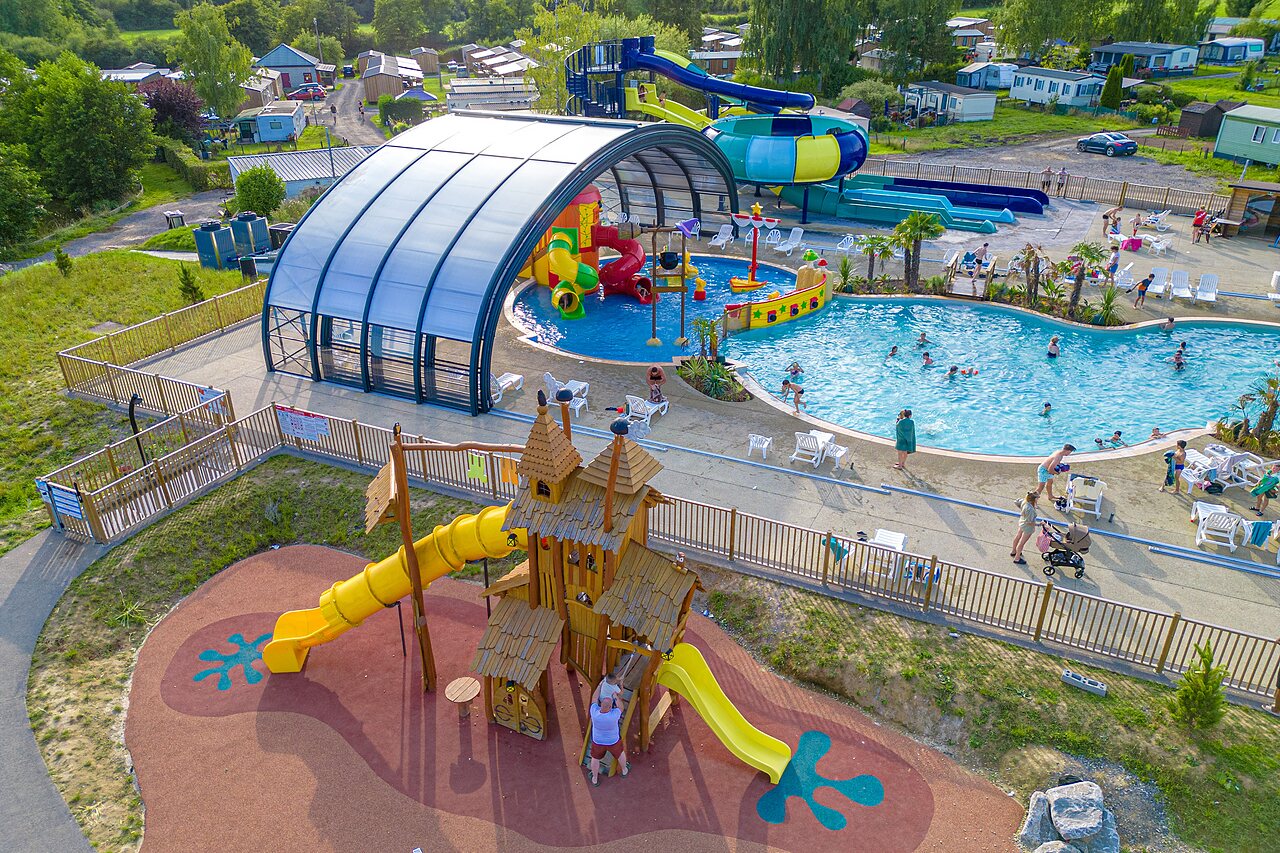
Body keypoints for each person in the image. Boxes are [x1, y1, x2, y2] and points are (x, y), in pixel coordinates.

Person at [588, 695, 629, 786]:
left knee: (595, 758)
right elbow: (621, 707)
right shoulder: (614, 715)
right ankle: (624, 770)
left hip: (598, 741)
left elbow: (594, 698)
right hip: (613, 741)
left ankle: (594, 778)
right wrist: (615, 697)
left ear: (601, 705)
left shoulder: (594, 712)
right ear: (610, 707)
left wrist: (600, 686)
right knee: (620, 754)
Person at [1011, 491, 1039, 565]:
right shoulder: (1030, 510)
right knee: (1022, 543)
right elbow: (1029, 522)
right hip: (1027, 527)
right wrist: (1039, 524)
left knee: (1018, 536)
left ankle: (1014, 551)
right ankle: (1017, 558)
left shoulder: (1024, 502)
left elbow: (1017, 502)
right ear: (1034, 499)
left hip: (1022, 522)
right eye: (1037, 498)